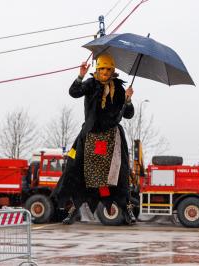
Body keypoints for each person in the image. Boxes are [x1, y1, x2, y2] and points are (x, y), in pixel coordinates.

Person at [52, 54, 136, 225]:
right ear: (97, 70)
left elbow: (129, 114)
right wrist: (81, 75)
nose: (105, 72)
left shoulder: (119, 89)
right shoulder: (90, 84)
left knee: (121, 172)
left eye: (108, 69)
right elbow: (74, 92)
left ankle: (127, 209)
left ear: (113, 71)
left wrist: (128, 100)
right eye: (102, 69)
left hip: (112, 136)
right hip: (90, 135)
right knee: (75, 169)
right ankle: (73, 211)